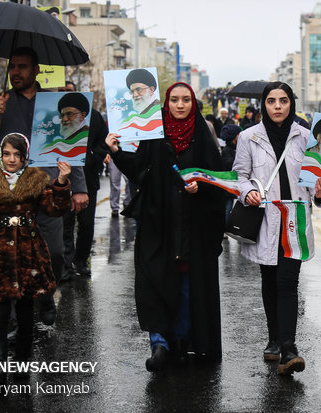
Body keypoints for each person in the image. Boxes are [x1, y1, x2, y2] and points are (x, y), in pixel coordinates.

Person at [105, 82, 225, 372]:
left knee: (185, 286)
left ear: (193, 103)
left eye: (185, 100)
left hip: (191, 227)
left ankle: (182, 342)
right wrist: (116, 151)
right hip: (159, 222)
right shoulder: (153, 134)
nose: (180, 105)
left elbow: (218, 181)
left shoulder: (202, 136)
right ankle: (159, 343)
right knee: (154, 281)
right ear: (166, 103)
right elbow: (139, 170)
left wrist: (202, 187)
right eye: (174, 100)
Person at [0, 47, 89, 325]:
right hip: (10, 195)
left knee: (55, 251)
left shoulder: (54, 101)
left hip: (48, 189)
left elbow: (71, 146)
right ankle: (12, 320)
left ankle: (46, 293)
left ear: (36, 70)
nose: (16, 72)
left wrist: (79, 186)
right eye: (12, 66)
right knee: (11, 259)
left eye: (23, 66)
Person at [232, 81, 321, 376]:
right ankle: (273, 338)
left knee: (288, 282)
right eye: (272, 101)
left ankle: (289, 347)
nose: (277, 106)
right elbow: (240, 175)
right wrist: (246, 191)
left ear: (291, 104)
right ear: (264, 105)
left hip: (294, 219)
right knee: (269, 279)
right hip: (264, 218)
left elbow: (315, 180)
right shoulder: (248, 137)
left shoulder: (306, 137)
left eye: (283, 101)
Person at [0, 133, 72, 384]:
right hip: (0, 254)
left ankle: (22, 366)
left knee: (24, 312)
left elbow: (55, 208)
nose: (12, 159)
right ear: (1, 154)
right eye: (7, 154)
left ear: (25, 157)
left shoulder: (36, 180)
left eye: (17, 155)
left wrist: (62, 182)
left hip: (28, 253)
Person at [59, 81, 110, 280]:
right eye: (61, 92)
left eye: (68, 92)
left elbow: (103, 144)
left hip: (88, 179)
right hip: (62, 180)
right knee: (65, 223)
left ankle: (81, 260)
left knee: (87, 224)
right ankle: (65, 264)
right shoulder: (57, 119)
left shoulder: (95, 117)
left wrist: (90, 157)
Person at [219, 124, 241, 224]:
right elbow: (231, 165)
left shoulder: (233, 149)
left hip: (231, 185)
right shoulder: (227, 151)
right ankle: (224, 228)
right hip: (227, 185)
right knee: (227, 209)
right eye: (238, 135)